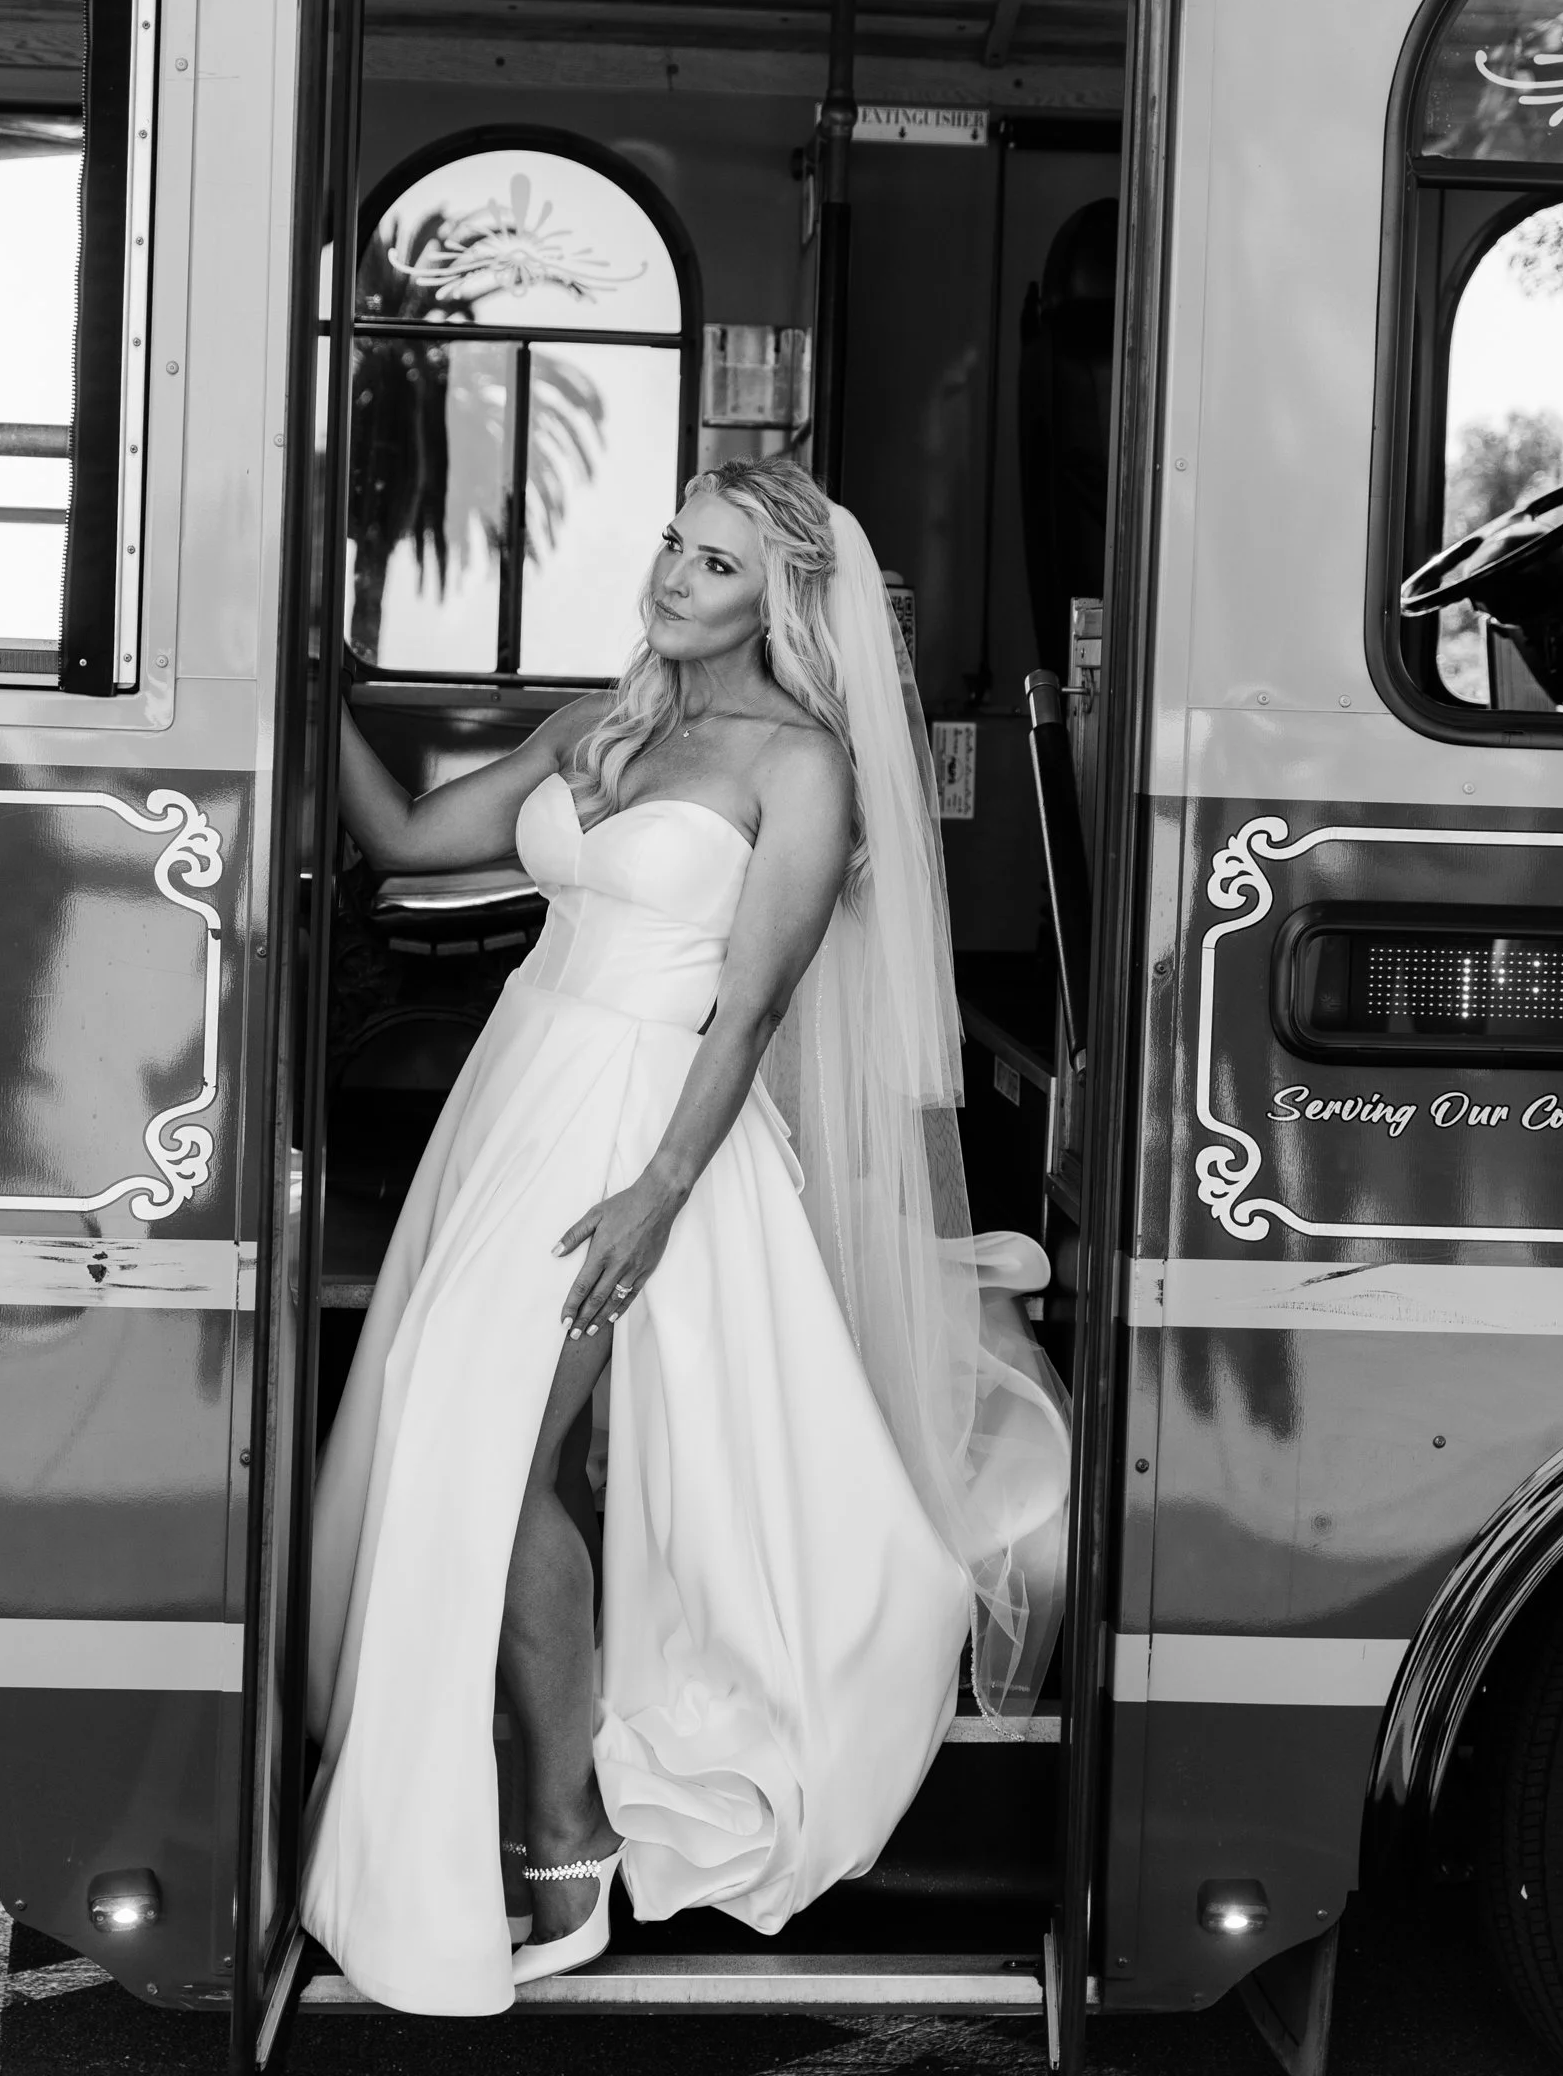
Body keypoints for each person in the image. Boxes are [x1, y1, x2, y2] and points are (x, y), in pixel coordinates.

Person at [301, 456, 1070, 2015]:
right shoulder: (607, 721)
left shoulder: (801, 764)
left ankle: (565, 1841)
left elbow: (753, 1006)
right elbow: (412, 839)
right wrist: (303, 674)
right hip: (518, 1094)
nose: (672, 573)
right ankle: (539, 1826)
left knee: (496, 1456)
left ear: (779, 599)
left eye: (715, 562)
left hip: (649, 1127)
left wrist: (657, 1190)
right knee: (467, 1444)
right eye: (672, 542)